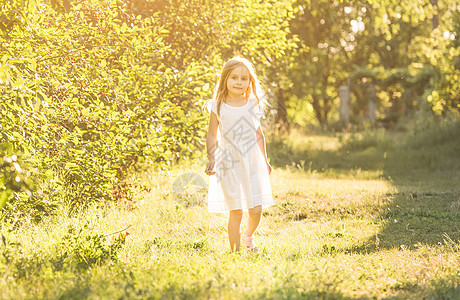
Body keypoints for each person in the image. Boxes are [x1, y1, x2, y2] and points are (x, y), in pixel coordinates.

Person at [203, 56, 274, 254]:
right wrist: (211, 158)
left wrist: (265, 161)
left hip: (252, 161)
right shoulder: (217, 106)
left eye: (244, 79)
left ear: (249, 82)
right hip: (229, 162)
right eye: (234, 77)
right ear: (225, 79)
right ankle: (235, 253)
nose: (238, 82)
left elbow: (259, 135)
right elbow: (211, 134)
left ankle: (248, 236)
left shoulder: (252, 104)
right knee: (236, 210)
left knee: (256, 209)